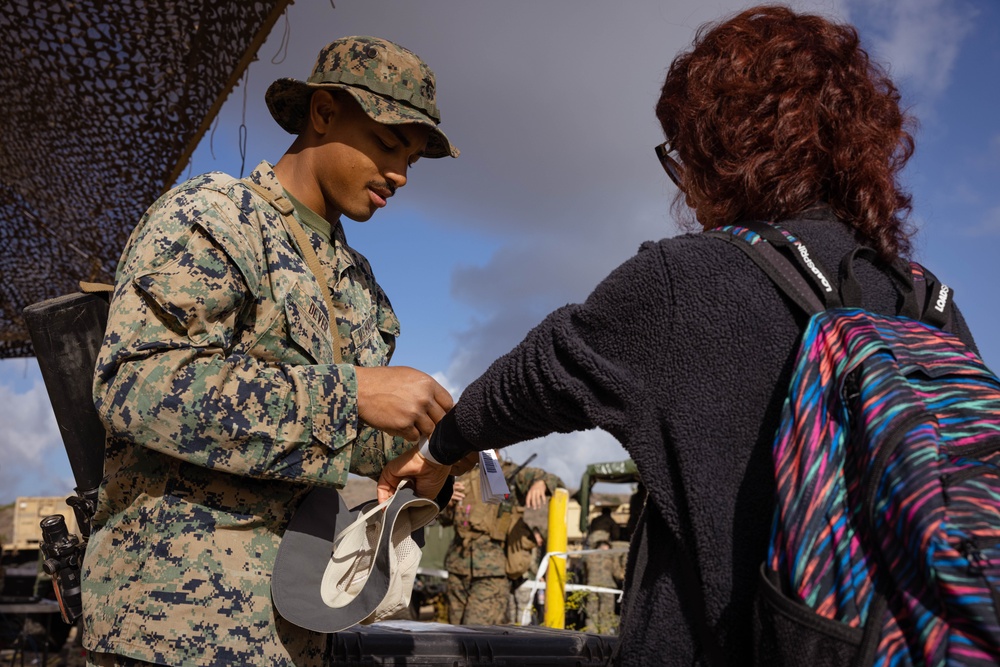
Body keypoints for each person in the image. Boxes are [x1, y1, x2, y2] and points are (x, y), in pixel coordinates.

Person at [378, 6, 984, 665]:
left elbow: (536, 373)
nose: (684, 185)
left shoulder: (683, 283)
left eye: (683, 153)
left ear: (722, 148)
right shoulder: (927, 301)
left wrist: (441, 448)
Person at [80, 36, 472, 667]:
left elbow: (342, 438)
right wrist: (351, 395)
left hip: (294, 626)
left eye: (414, 160)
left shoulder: (357, 280)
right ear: (323, 113)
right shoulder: (215, 217)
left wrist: (424, 454)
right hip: (173, 626)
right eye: (389, 144)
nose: (400, 174)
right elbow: (135, 386)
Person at [436, 453, 562, 626]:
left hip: (492, 572)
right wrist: (446, 502)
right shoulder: (462, 472)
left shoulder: (508, 473)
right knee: (456, 632)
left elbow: (553, 479)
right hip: (457, 566)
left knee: (475, 634)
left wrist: (541, 483)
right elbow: (443, 520)